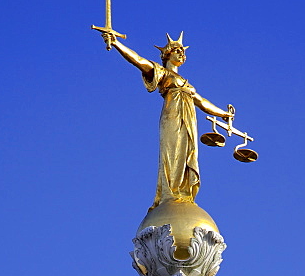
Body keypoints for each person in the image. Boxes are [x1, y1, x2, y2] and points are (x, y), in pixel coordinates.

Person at [100, 31, 233, 208]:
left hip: (189, 118)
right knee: (173, 151)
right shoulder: (162, 73)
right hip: (172, 115)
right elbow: (138, 60)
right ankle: (170, 192)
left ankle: (183, 190)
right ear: (167, 54)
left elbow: (201, 102)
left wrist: (223, 114)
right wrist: (116, 44)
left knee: (187, 152)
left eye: (182, 52)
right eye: (177, 50)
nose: (181, 54)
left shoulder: (186, 82)